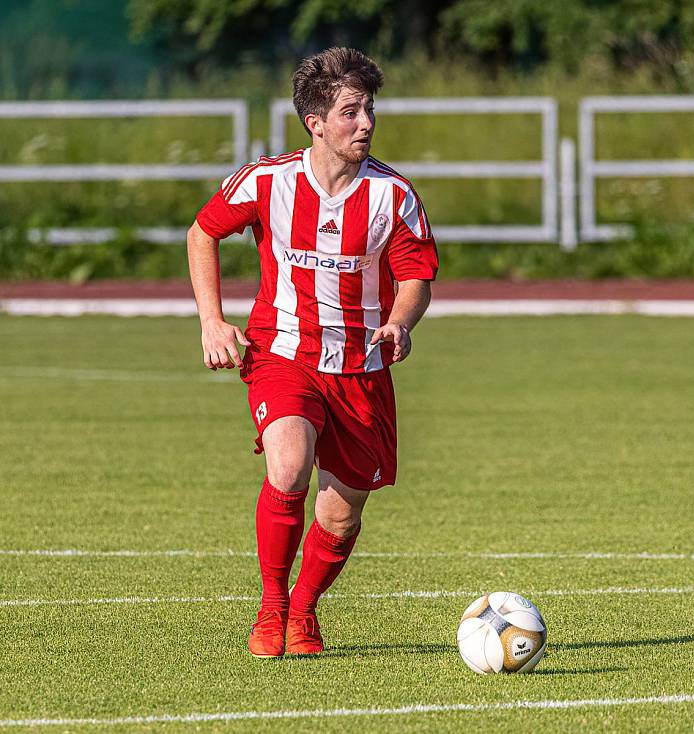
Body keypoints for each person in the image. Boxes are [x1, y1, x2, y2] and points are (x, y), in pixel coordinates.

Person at [186, 47, 438, 657]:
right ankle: (271, 611)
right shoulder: (266, 182)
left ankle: (303, 612)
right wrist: (212, 322)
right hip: (282, 355)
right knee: (289, 466)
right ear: (315, 121)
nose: (367, 123)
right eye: (350, 111)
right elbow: (202, 232)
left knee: (342, 514)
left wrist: (401, 324)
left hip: (362, 368)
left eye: (370, 109)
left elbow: (416, 280)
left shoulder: (394, 195)